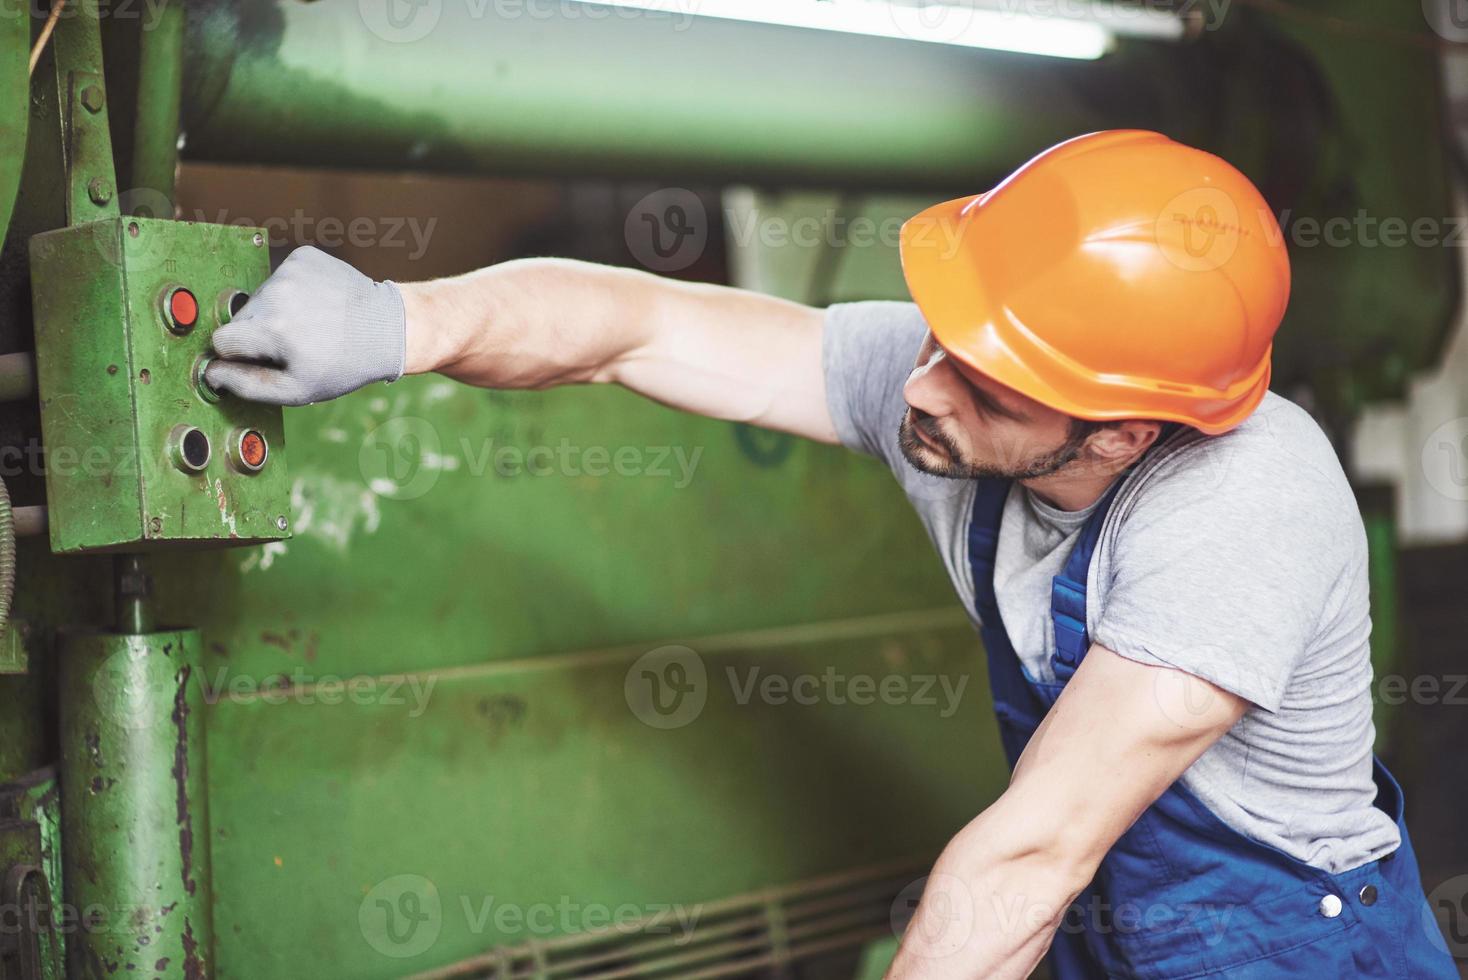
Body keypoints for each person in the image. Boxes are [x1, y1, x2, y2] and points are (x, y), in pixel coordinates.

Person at [204, 130, 1457, 978]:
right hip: (1101, 921)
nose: (917, 390)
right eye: (940, 341)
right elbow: (634, 325)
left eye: (984, 386)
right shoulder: (958, 383)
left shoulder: (1244, 510)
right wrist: (407, 318)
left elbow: (1026, 857)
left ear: (1124, 428)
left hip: (1292, 946)